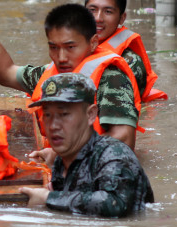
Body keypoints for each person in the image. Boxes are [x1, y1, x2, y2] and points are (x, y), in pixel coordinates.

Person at [0, 3, 142, 150]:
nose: (61, 57)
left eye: (70, 47)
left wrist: (68, 154)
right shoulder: (52, 73)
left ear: (93, 43)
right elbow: (6, 72)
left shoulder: (111, 77)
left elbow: (124, 137)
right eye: (53, 47)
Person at [19, 73, 154, 218]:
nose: (53, 126)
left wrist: (49, 199)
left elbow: (115, 203)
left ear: (90, 115)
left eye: (63, 114)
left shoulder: (114, 154)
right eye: (47, 115)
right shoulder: (61, 160)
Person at [84, 0, 161, 100]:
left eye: (108, 12)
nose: (98, 18)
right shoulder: (71, 49)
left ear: (121, 18)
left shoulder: (130, 63)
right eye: (92, 10)